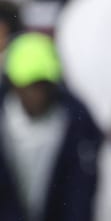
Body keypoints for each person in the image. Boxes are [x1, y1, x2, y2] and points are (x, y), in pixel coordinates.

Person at [0, 32, 102, 221]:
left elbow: (79, 195)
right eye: (29, 85)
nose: (38, 94)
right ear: (13, 84)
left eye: (44, 85)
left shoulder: (76, 123)